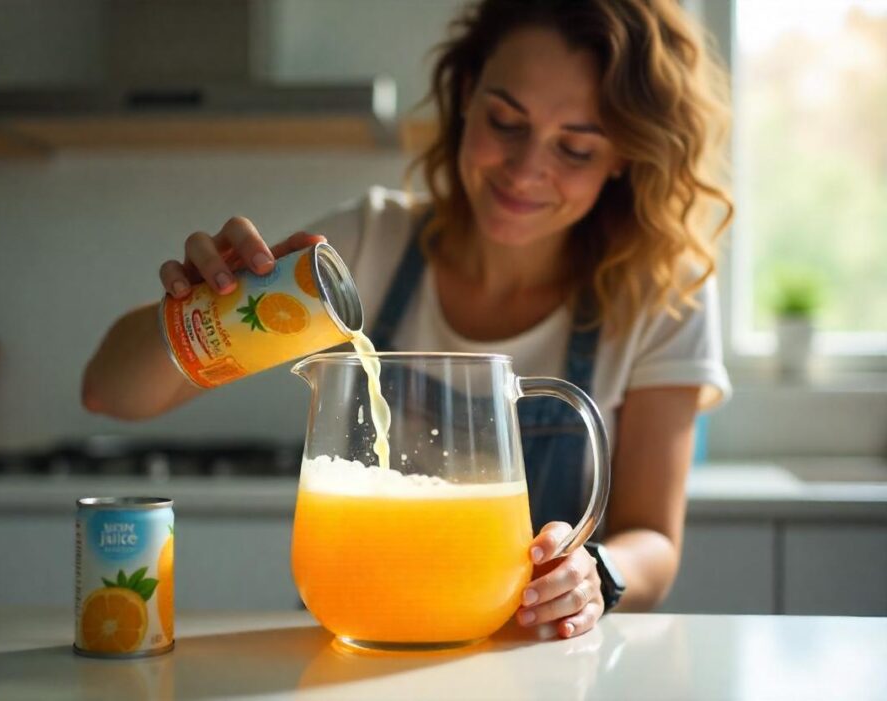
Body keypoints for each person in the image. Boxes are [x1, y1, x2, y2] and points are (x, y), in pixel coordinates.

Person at [83, 0, 733, 640]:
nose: (528, 168)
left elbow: (654, 535)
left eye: (577, 148)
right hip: (353, 641)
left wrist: (595, 568)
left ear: (623, 156)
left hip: (530, 664)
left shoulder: (662, 292)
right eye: (506, 121)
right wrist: (199, 312)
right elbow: (109, 391)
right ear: (467, 95)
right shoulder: (371, 243)